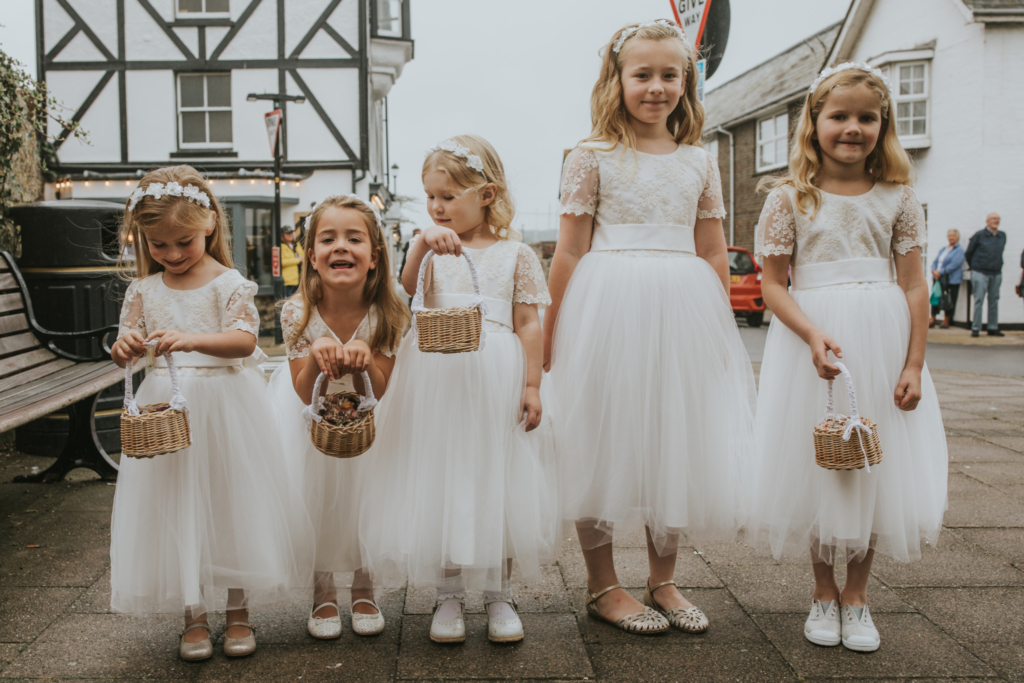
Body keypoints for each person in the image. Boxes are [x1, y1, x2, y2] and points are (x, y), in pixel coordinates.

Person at [543, 20, 756, 636]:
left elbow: (713, 250)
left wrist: (720, 326)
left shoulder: (698, 159)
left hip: (682, 309)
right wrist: (555, 330)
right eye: (643, 75)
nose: (656, 87)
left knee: (674, 436)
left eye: (670, 75)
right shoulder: (591, 157)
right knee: (601, 437)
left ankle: (663, 578)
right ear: (617, 81)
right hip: (606, 307)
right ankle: (602, 584)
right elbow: (568, 251)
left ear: (686, 84)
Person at [751, 63, 947, 653]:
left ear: (882, 124)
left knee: (870, 462)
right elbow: (773, 284)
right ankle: (822, 589)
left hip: (881, 341)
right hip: (815, 341)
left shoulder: (899, 197)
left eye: (866, 117)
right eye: (838, 116)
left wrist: (912, 363)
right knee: (819, 462)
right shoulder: (790, 198)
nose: (852, 128)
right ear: (814, 124)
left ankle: (857, 596)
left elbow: (914, 286)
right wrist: (811, 334)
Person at [359, 135, 559, 644]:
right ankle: (447, 593)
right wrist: (424, 240)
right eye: (430, 197)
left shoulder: (516, 254)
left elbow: (528, 324)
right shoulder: (431, 248)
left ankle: (498, 593)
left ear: (486, 195)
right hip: (439, 376)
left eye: (448, 197)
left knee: (497, 477)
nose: (437, 207)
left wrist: (532, 384)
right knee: (443, 474)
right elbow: (407, 287)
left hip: (495, 375)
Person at [109, 165, 313, 661]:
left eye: (183, 242)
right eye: (159, 246)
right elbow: (124, 347)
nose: (172, 255)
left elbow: (245, 341)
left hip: (225, 406)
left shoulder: (228, 283)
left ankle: (238, 610)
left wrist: (195, 339)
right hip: (169, 406)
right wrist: (124, 346)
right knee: (181, 505)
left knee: (232, 503)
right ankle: (193, 613)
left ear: (209, 228)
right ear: (143, 241)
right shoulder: (143, 290)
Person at [268, 195, 409, 640]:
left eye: (354, 238)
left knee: (367, 502)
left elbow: (383, 388)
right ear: (312, 256)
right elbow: (300, 389)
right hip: (312, 426)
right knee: (318, 504)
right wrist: (316, 357)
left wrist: (366, 360)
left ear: (375, 256)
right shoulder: (297, 313)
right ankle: (323, 590)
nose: (340, 247)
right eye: (327, 239)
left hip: (372, 426)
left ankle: (364, 587)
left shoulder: (388, 312)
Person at [965, 213, 1007, 337]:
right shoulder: (979, 235)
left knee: (994, 300)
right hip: (980, 272)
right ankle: (976, 328)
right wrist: (974, 267)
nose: (996, 221)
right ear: (987, 221)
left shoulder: (1002, 235)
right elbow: (969, 253)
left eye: (998, 219)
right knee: (979, 299)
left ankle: (992, 327)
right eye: (994, 219)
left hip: (996, 273)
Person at [929, 229, 964, 328]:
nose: (951, 237)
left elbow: (954, 265)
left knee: (949, 300)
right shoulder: (943, 249)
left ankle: (946, 321)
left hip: (951, 280)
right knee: (935, 298)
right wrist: (933, 270)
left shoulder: (959, 250)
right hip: (938, 279)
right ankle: (932, 319)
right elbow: (935, 261)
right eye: (949, 235)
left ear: (957, 237)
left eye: (953, 235)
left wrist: (939, 272)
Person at [280, 224, 304, 298]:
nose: (290, 235)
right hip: (289, 279)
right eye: (287, 233)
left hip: (299, 278)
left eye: (291, 233)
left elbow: (303, 256)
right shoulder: (281, 246)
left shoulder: (296, 244)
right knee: (290, 299)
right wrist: (297, 260)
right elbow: (281, 262)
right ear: (282, 235)